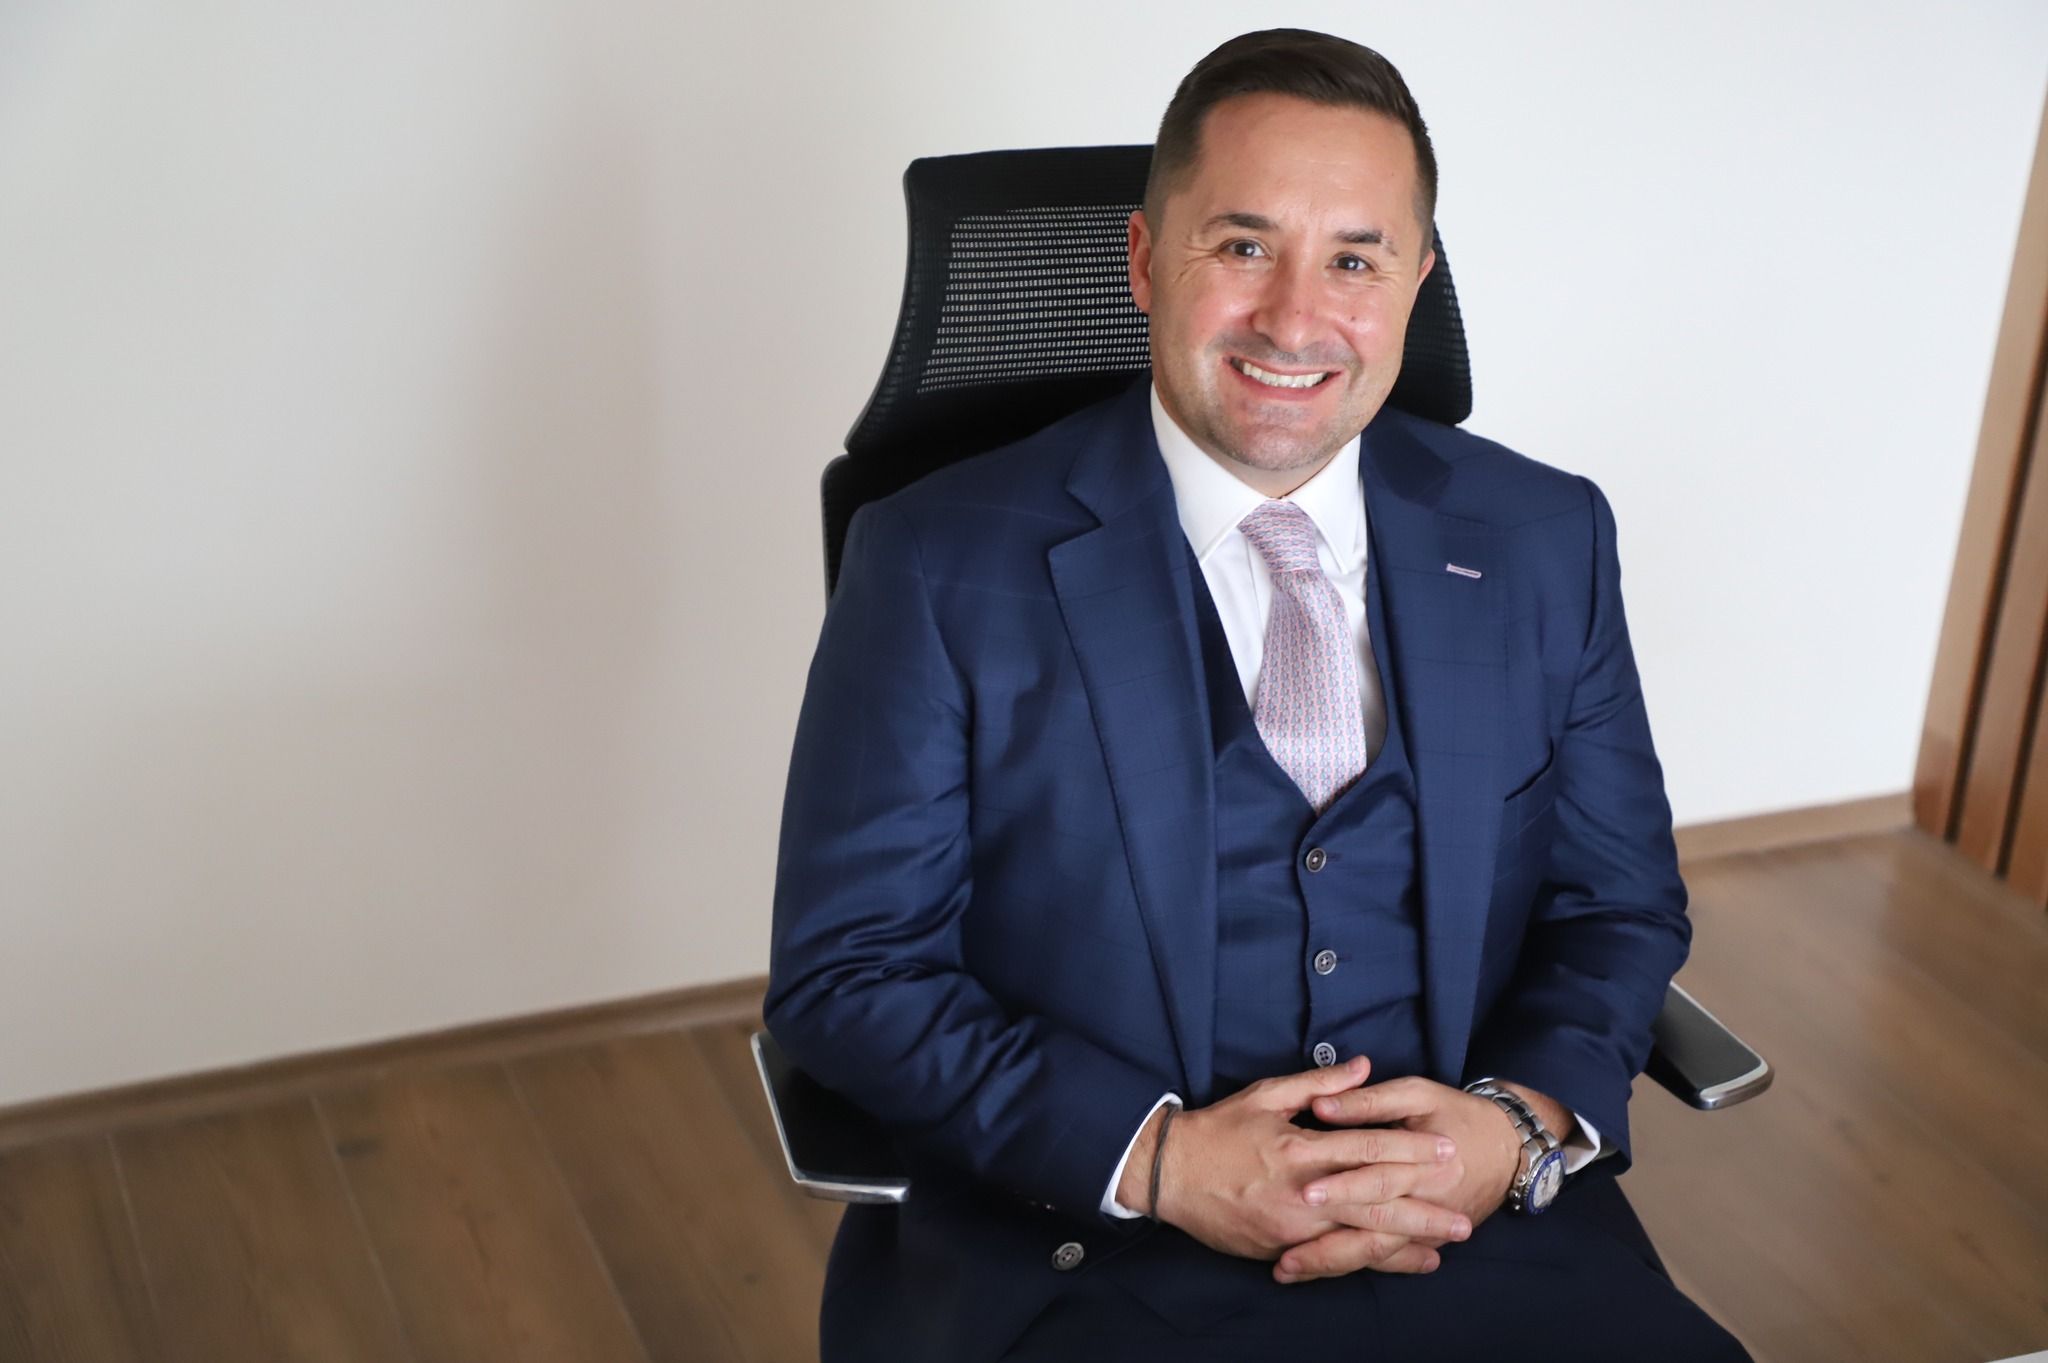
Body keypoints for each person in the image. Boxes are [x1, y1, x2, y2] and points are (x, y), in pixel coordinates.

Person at [767, 27, 1749, 1363]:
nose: (1295, 320)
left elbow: (1616, 905)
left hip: (1463, 1214)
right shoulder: (939, 560)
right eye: (1242, 247)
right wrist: (1161, 1161)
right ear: (1142, 261)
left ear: (1416, 281)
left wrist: (1514, 1125)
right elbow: (853, 972)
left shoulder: (1543, 537)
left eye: (1355, 259)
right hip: (1088, 1235)